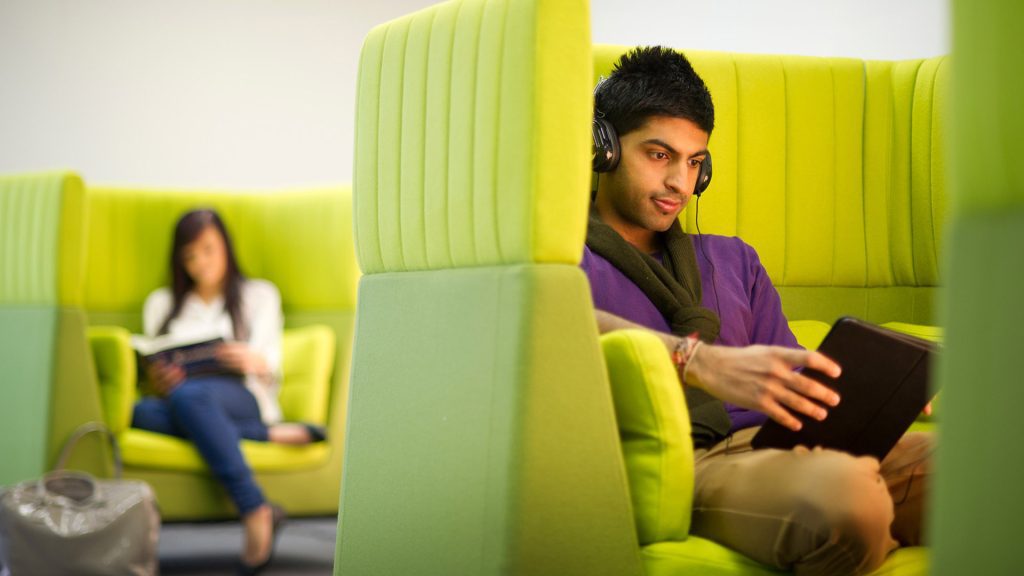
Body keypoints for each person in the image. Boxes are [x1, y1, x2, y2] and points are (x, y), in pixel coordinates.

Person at [584, 46, 932, 575]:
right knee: (845, 502)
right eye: (659, 155)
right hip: (685, 463)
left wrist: (877, 396)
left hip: (781, 442)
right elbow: (563, 326)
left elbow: (791, 372)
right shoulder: (564, 262)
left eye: (695, 162)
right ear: (603, 148)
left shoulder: (733, 258)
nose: (681, 183)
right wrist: (694, 361)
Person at [131, 209, 322, 575]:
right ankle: (263, 437)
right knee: (140, 412)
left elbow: (271, 368)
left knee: (190, 399)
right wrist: (160, 379)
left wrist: (251, 359)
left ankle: (253, 508)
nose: (200, 263)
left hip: (243, 396)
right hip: (185, 397)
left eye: (208, 250)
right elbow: (156, 363)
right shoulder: (161, 303)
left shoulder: (259, 295)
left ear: (226, 247)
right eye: (190, 256)